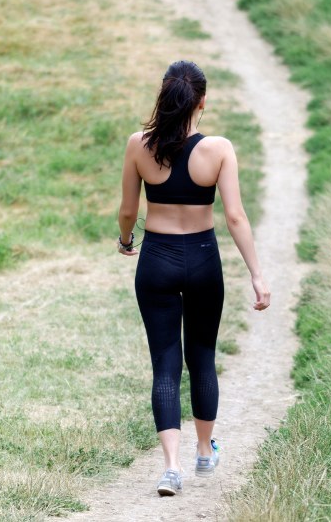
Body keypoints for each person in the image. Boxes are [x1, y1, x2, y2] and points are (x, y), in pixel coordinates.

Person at [116, 59, 271, 497]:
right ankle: (205, 451)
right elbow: (236, 216)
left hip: (157, 260)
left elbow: (129, 210)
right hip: (202, 259)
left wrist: (127, 239)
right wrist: (257, 276)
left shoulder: (138, 145)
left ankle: (170, 468)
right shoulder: (218, 149)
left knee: (165, 364)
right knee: (201, 356)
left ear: (163, 97)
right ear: (202, 101)